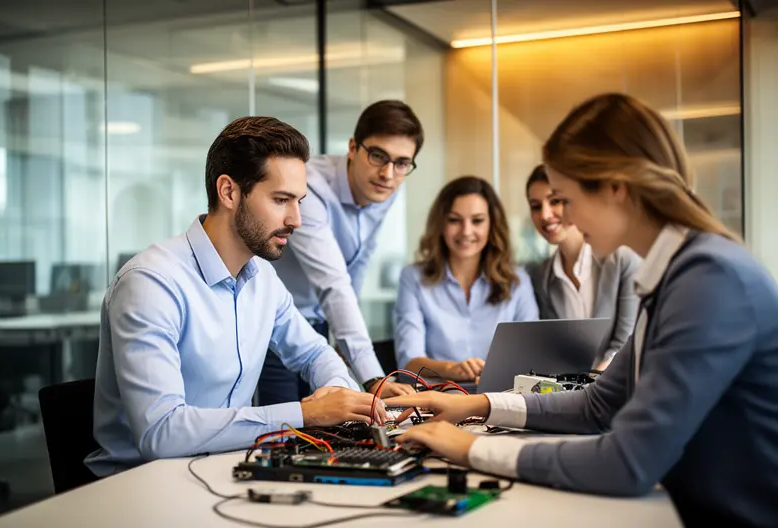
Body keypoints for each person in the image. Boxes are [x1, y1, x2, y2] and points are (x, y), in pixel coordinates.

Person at [386, 93, 778, 526]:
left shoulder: (708, 280)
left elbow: (628, 462)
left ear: (614, 187)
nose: (561, 218)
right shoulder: (675, 274)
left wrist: (471, 449)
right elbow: (597, 405)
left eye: (565, 198)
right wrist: (477, 405)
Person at [86, 116, 387, 477]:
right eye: (281, 200)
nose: (296, 220)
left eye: (299, 201)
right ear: (228, 192)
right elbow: (160, 433)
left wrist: (337, 392)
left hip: (224, 472)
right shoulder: (151, 283)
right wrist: (306, 415)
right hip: (136, 487)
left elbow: (314, 352)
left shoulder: (263, 280)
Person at [261, 100, 423, 403]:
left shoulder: (383, 186)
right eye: (378, 156)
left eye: (402, 163)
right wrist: (373, 377)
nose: (388, 173)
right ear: (353, 147)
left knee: (324, 429)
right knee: (282, 430)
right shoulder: (311, 188)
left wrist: (346, 343)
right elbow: (333, 282)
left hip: (321, 325)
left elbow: (358, 262)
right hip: (278, 325)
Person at [393, 176, 539, 381]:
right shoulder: (413, 278)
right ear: (441, 224)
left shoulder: (518, 280)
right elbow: (409, 362)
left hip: (499, 397)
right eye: (454, 220)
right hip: (437, 398)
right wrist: (453, 369)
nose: (466, 231)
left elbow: (532, 354)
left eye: (477, 220)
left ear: (492, 224)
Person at [525, 164, 640, 369]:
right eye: (536, 206)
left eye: (555, 201)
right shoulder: (540, 276)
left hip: (617, 387)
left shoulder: (622, 258)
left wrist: (591, 387)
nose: (544, 214)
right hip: (569, 392)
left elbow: (627, 343)